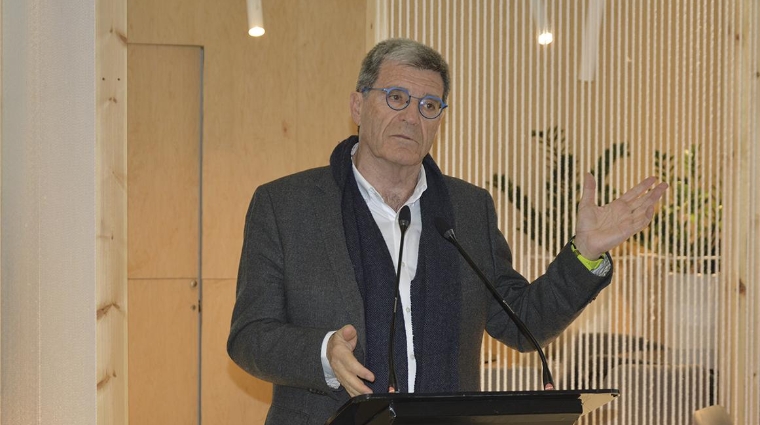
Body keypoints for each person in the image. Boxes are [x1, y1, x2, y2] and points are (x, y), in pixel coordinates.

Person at [227, 38, 667, 425]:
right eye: (396, 97)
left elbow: (520, 321)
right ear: (358, 105)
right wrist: (322, 351)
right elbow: (250, 336)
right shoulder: (286, 205)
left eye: (428, 105)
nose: (411, 117)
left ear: (439, 120)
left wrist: (585, 252)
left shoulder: (468, 209)